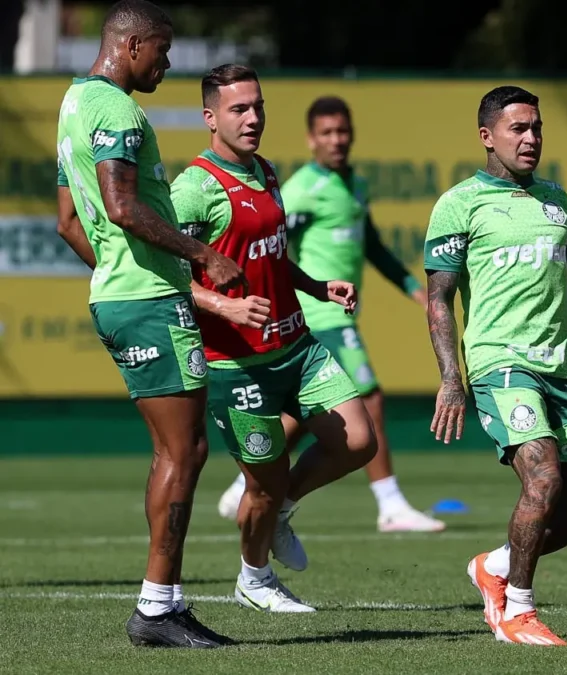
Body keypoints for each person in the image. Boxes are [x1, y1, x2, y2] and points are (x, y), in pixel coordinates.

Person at [424, 85, 567, 646]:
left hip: (562, 373)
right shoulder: (459, 204)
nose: (531, 138)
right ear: (487, 137)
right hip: (502, 367)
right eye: (518, 128)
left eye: (537, 127)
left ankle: (494, 565)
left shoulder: (557, 202)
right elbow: (438, 299)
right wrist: (452, 378)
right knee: (543, 477)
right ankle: (517, 612)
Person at [53, 0, 243, 648]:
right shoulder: (115, 109)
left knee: (175, 449)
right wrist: (203, 254)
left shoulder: (72, 105)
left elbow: (70, 222)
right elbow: (122, 205)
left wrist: (111, 274)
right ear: (131, 45)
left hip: (121, 295)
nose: (165, 64)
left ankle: (163, 601)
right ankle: (157, 608)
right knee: (184, 450)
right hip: (149, 297)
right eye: (161, 51)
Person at [169, 64, 379, 612]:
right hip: (236, 364)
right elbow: (167, 278)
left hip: (297, 346)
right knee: (262, 483)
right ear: (210, 118)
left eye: (258, 106)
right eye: (239, 109)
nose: (253, 117)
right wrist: (226, 305)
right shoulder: (193, 188)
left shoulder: (266, 170)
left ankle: (283, 509)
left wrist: (315, 285)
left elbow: (271, 256)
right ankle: (254, 579)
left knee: (359, 440)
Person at [215, 96, 442, 534]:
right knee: (369, 398)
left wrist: (416, 289)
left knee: (306, 415)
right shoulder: (301, 189)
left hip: (340, 313)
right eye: (326, 133)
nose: (336, 140)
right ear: (310, 139)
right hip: (319, 315)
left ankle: (243, 484)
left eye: (342, 131)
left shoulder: (354, 185)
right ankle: (390, 504)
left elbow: (372, 246)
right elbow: (268, 248)